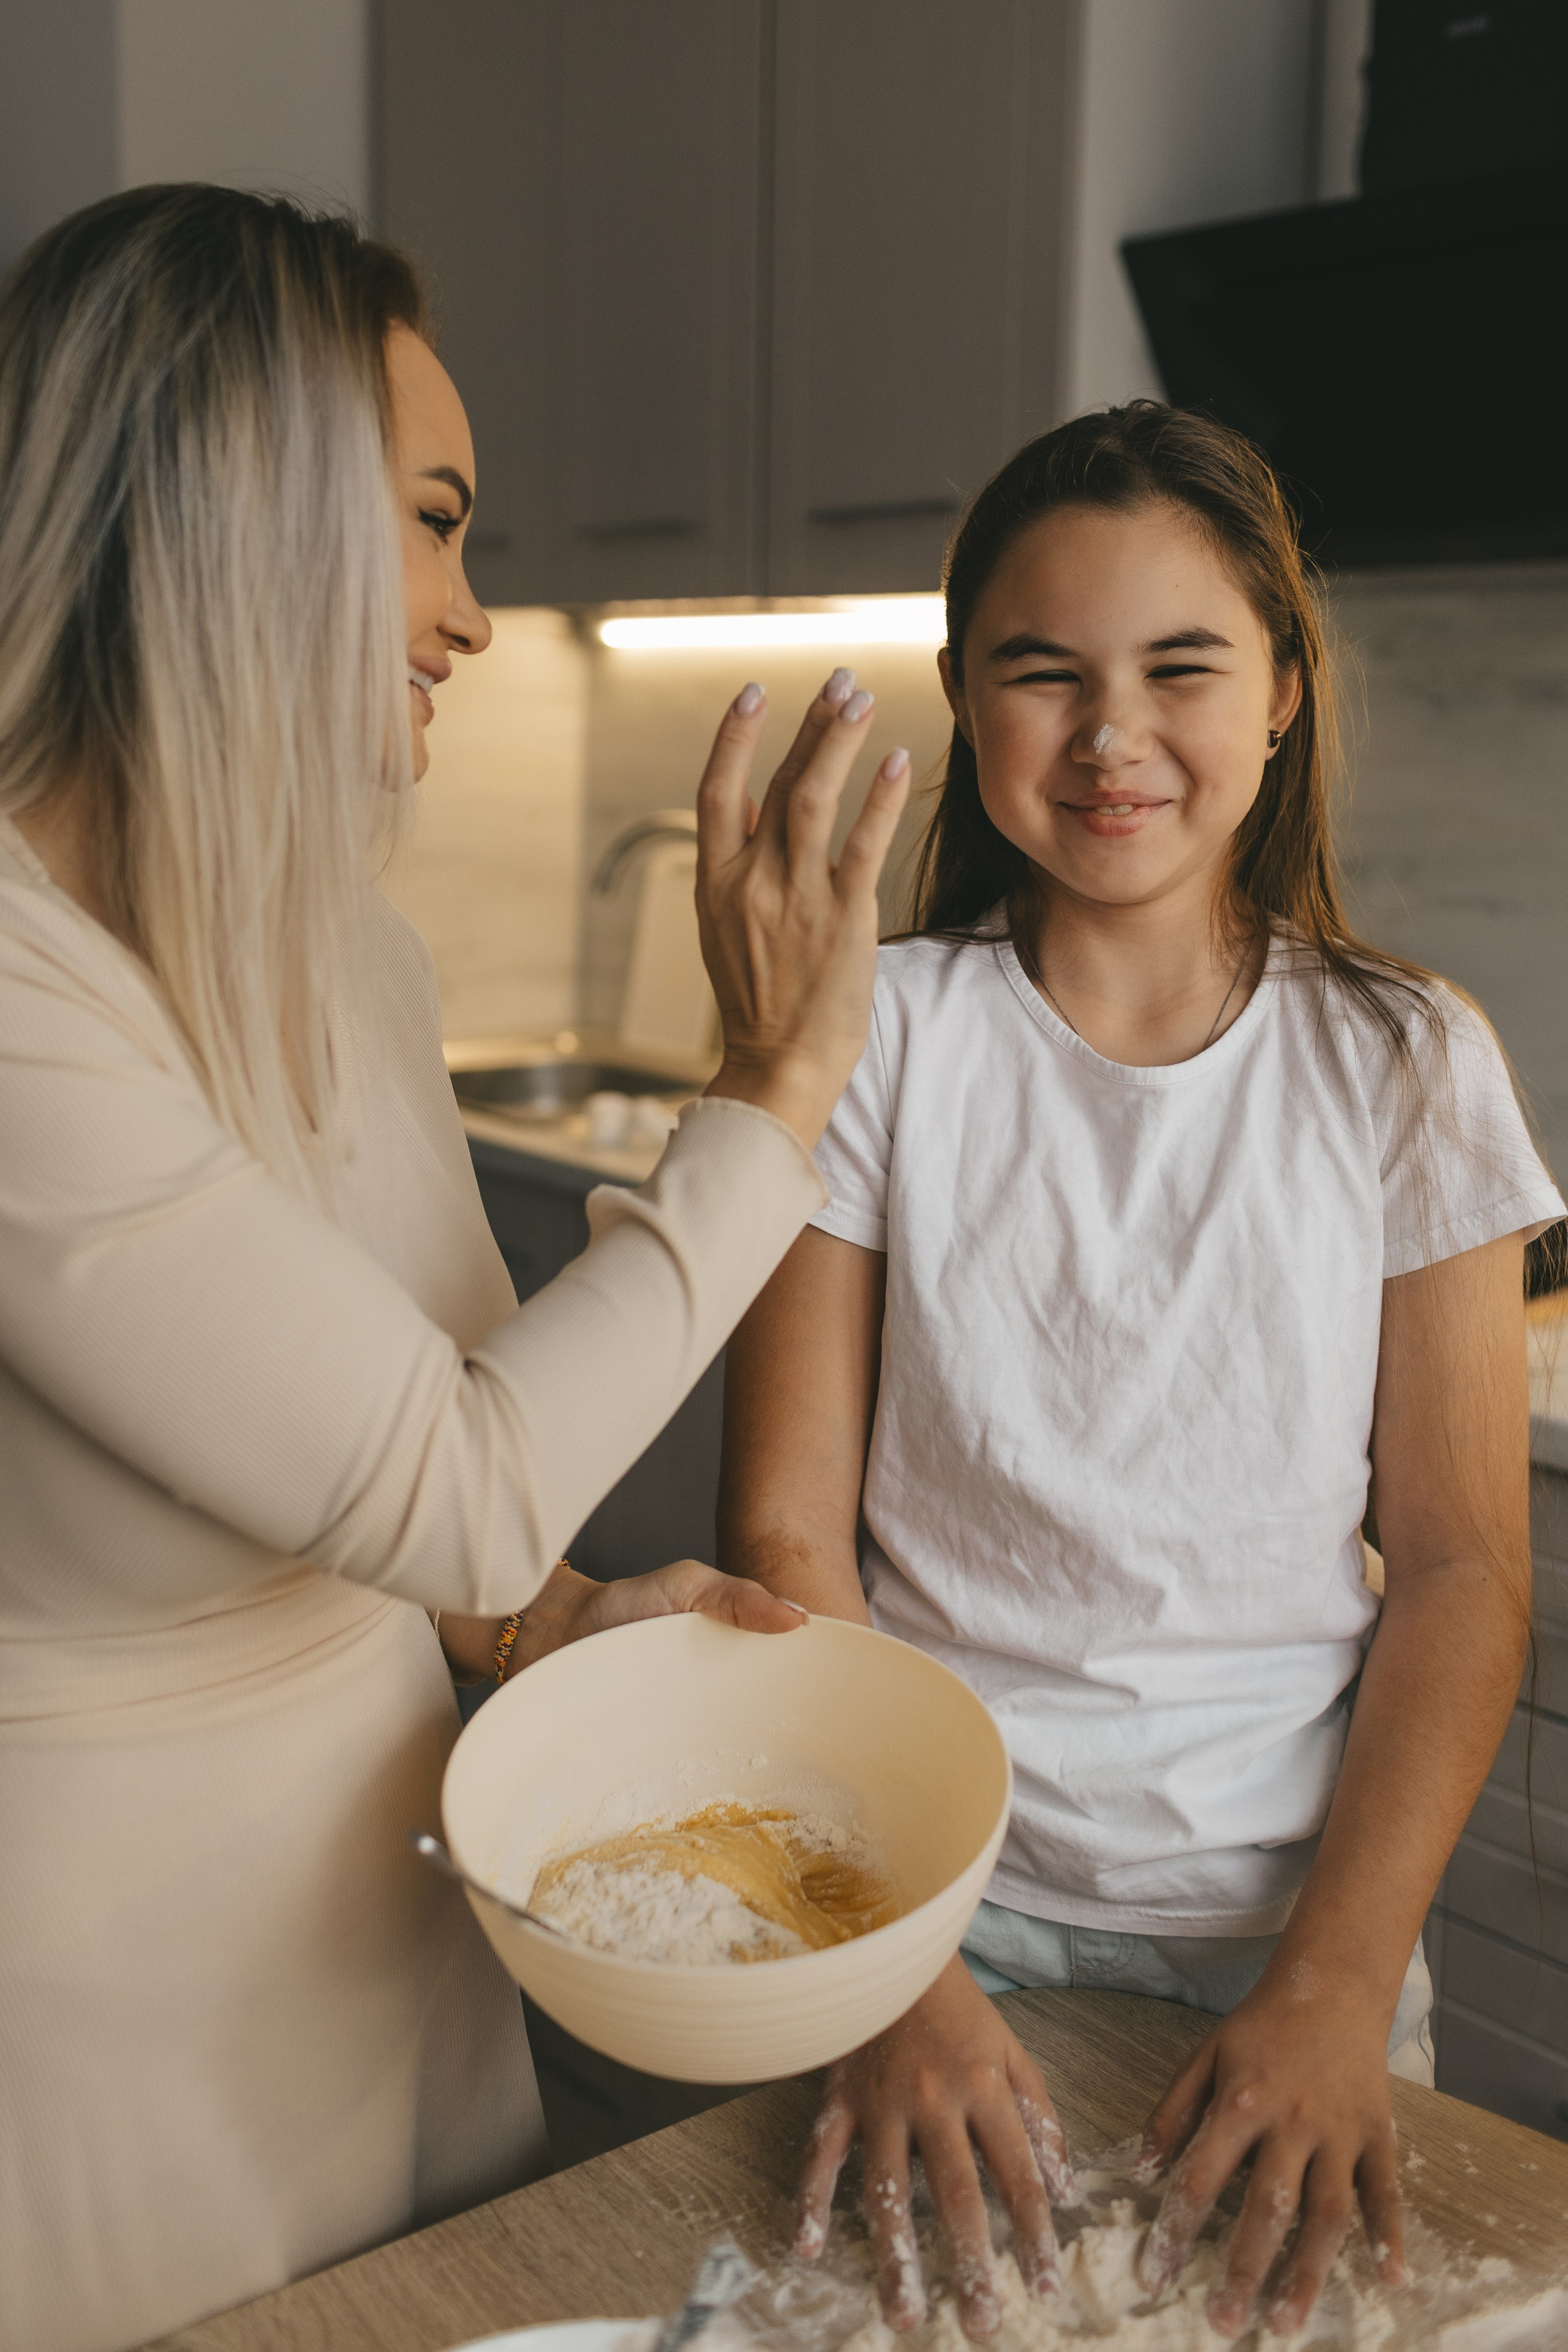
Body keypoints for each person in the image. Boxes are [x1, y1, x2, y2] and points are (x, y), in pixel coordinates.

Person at [0, 186, 911, 2352]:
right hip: (114, 2028)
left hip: (407, 1943)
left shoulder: (345, 949)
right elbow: (466, 1473)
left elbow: (441, 1519)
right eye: (432, 520)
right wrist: (773, 1086)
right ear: (246, 508)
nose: (471, 612)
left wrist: (578, 1617)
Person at [719, 405, 1563, 2344]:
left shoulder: (1408, 1061)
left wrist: (1342, 1989)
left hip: (1297, 1932)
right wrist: (896, 1973)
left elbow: (1456, 1571)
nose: (1112, 736)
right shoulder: (880, 1038)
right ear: (966, 701)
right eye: (1044, 673)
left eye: (1181, 667)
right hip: (933, 1900)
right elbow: (784, 1529)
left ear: (1281, 692)